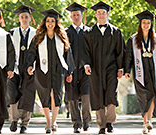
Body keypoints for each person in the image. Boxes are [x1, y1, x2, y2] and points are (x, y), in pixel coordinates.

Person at [25, 9, 75, 134]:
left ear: (56, 22)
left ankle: (53, 121)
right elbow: (32, 53)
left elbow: (68, 55)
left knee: (56, 95)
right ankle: (48, 122)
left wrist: (69, 72)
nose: (50, 23)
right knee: (45, 95)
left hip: (58, 70)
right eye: (48, 21)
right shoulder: (38, 37)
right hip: (42, 71)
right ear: (45, 23)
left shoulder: (62, 37)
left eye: (52, 21)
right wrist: (30, 65)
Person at [124, 10, 156, 134]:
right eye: (144, 22)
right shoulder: (133, 39)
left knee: (153, 95)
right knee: (144, 97)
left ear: (151, 24)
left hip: (154, 69)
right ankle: (145, 122)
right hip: (141, 70)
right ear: (140, 24)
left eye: (148, 23)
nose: (146, 25)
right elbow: (128, 56)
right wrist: (127, 70)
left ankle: (148, 121)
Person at [83, 1, 125, 134]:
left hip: (111, 68)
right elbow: (85, 51)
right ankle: (101, 125)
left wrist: (120, 68)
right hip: (95, 69)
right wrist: (87, 64)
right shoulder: (89, 32)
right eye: (99, 13)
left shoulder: (116, 32)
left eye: (104, 13)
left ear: (107, 14)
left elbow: (120, 51)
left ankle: (110, 121)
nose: (101, 15)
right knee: (97, 95)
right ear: (96, 15)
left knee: (111, 94)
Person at [6, 5, 37, 134]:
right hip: (15, 69)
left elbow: (39, 53)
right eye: (22, 17)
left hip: (30, 69)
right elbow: (8, 52)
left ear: (30, 18)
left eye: (26, 17)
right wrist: (10, 68)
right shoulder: (12, 33)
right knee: (12, 93)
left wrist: (33, 67)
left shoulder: (36, 34)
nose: (24, 19)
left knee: (28, 95)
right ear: (19, 18)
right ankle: (13, 120)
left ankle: (24, 123)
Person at [65, 2, 92, 133]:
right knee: (72, 97)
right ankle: (76, 123)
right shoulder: (65, 33)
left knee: (86, 95)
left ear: (82, 16)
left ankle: (86, 121)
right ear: (71, 17)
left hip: (85, 70)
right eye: (74, 15)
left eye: (78, 15)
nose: (76, 17)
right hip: (70, 70)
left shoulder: (89, 32)